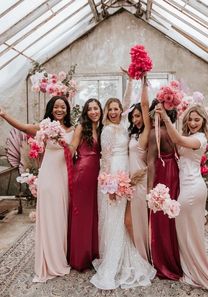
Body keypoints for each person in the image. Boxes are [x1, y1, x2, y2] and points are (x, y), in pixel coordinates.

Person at [156, 103, 208, 296]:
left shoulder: (200, 138)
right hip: (187, 186)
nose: (192, 123)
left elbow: (176, 138)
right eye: (190, 119)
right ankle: (191, 267)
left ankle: (196, 271)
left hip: (192, 189)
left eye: (196, 120)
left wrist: (165, 118)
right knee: (186, 231)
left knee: (187, 231)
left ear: (203, 122)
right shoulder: (191, 136)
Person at [90, 77, 156, 290]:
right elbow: (105, 158)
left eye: (116, 108)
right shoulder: (107, 130)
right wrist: (108, 185)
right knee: (115, 219)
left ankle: (126, 255)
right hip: (113, 176)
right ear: (106, 112)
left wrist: (130, 81)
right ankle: (114, 260)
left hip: (126, 173)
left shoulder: (125, 126)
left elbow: (128, 103)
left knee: (124, 218)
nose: (113, 112)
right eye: (110, 109)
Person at [0, 96, 73, 282]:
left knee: (63, 216)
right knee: (50, 216)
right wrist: (4, 114)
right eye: (56, 106)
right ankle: (50, 259)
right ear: (51, 109)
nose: (59, 109)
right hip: (49, 177)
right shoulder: (44, 127)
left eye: (62, 107)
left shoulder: (72, 129)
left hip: (66, 177)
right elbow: (23, 127)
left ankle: (63, 254)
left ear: (67, 110)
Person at [147, 99, 183, 280]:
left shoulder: (155, 133)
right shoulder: (174, 130)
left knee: (162, 218)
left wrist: (149, 190)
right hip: (175, 171)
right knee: (173, 217)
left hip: (163, 174)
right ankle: (177, 258)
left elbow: (151, 162)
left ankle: (164, 260)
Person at [68, 98, 103, 271]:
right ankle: (79, 257)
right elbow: (72, 147)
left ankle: (92, 253)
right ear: (85, 112)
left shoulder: (103, 128)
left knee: (94, 213)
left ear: (100, 110)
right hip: (82, 173)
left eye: (96, 108)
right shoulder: (81, 127)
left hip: (97, 173)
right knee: (81, 214)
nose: (93, 112)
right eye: (90, 109)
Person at [125, 75, 151, 261]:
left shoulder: (145, 134)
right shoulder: (132, 135)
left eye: (138, 115)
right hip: (129, 181)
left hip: (140, 181)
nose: (135, 119)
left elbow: (144, 105)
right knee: (128, 221)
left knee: (139, 220)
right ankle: (136, 252)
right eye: (133, 116)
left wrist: (143, 82)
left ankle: (143, 255)